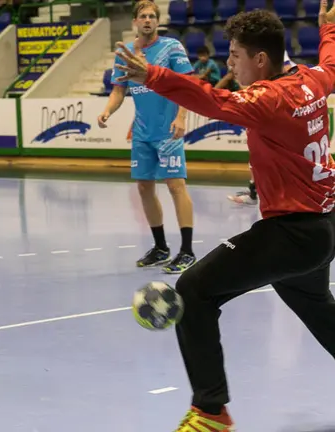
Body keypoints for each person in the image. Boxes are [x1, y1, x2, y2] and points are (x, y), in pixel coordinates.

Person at [114, 2, 335, 429]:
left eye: (234, 56)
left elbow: (212, 101)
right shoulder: (310, 81)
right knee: (317, 308)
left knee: (194, 290)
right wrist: (327, 31)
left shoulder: (267, 99)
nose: (228, 63)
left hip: (293, 232)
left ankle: (211, 413)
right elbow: (331, 63)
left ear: (260, 60)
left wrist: (153, 76)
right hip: (323, 226)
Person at [98, 0, 197, 274]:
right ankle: (160, 247)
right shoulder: (127, 54)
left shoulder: (171, 47)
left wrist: (181, 117)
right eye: (143, 16)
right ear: (135, 22)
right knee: (144, 187)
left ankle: (187, 251)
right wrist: (107, 111)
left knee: (176, 186)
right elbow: (119, 90)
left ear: (157, 21)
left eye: (153, 16)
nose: (148, 20)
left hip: (167, 131)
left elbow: (187, 85)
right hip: (142, 132)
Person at [228, 50, 298, 206]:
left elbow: (289, 72)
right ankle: (254, 192)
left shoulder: (277, 60)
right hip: (264, 106)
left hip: (276, 109)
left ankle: (258, 194)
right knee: (257, 155)